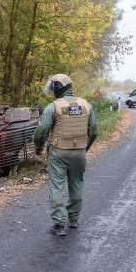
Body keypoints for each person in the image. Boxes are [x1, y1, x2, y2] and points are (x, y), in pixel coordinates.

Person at [33, 74, 97, 236]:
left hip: (58, 153)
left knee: (56, 187)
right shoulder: (86, 105)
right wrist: (84, 148)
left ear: (57, 89)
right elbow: (94, 131)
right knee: (76, 184)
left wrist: (38, 149)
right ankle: (74, 219)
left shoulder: (53, 107)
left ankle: (59, 225)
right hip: (79, 153)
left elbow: (41, 131)